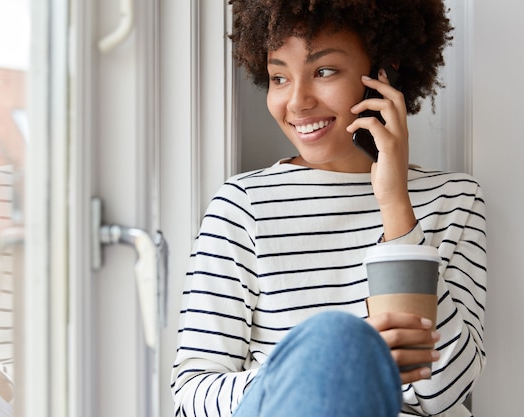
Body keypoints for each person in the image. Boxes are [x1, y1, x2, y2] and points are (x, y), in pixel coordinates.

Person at [171, 1, 487, 416]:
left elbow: (442, 392)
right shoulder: (242, 207)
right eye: (279, 77)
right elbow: (193, 393)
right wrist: (318, 366)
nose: (297, 102)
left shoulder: (454, 200)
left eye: (323, 71)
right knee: (337, 340)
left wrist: (395, 206)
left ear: (383, 74)